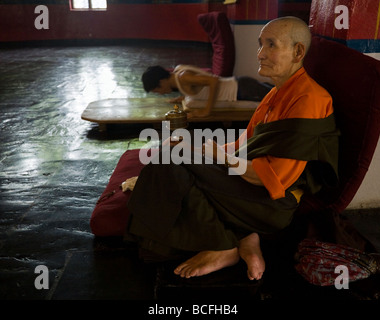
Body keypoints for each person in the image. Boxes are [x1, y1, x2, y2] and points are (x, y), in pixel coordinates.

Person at [125, 16, 340, 281]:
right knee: (174, 153)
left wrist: (218, 156)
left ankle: (223, 245)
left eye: (271, 45)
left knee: (170, 164)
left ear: (298, 52)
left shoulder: (309, 99)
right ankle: (243, 237)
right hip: (251, 189)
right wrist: (196, 146)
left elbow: (268, 178)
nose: (260, 54)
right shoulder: (276, 92)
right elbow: (244, 143)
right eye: (261, 45)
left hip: (273, 205)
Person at [141, 64, 273, 117]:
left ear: (161, 82)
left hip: (242, 90)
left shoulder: (182, 77)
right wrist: (183, 98)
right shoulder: (178, 72)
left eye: (156, 90)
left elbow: (213, 81)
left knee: (283, 96)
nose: (160, 93)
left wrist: (206, 110)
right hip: (242, 86)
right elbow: (200, 88)